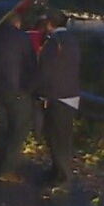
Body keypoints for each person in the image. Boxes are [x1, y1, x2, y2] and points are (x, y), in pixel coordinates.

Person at [0, 11, 37, 182]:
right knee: (20, 129)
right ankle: (7, 170)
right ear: (17, 23)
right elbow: (31, 64)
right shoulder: (21, 38)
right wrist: (29, 88)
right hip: (16, 90)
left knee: (3, 127)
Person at [31, 10, 81, 189]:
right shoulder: (72, 40)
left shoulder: (54, 43)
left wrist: (37, 91)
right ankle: (57, 172)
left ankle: (63, 176)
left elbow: (45, 70)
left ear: (50, 24)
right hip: (70, 94)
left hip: (57, 96)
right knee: (62, 137)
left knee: (57, 138)